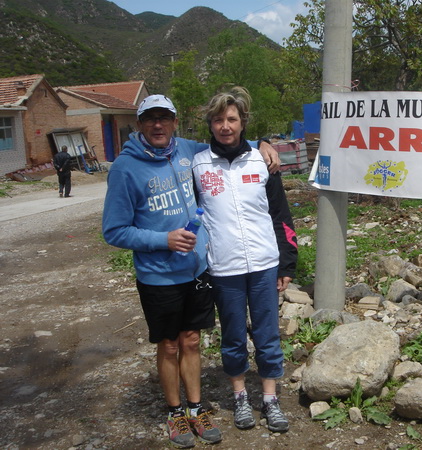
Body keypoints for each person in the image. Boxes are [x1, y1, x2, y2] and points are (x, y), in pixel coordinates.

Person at [102, 94, 279, 448]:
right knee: (169, 346)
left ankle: (196, 409)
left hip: (197, 270)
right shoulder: (125, 168)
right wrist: (161, 239)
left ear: (174, 122)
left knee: (193, 341)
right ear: (139, 124)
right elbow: (114, 230)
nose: (157, 125)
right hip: (158, 273)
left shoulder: (188, 150)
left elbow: (228, 140)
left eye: (163, 118)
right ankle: (174, 412)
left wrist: (263, 143)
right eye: (149, 119)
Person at [191, 87, 297, 433]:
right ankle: (239, 396)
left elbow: (281, 215)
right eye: (218, 119)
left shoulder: (262, 160)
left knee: (267, 335)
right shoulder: (197, 163)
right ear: (210, 123)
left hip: (265, 264)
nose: (225, 126)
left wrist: (287, 262)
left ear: (242, 122)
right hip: (224, 267)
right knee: (233, 336)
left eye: (232, 119)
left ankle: (270, 398)